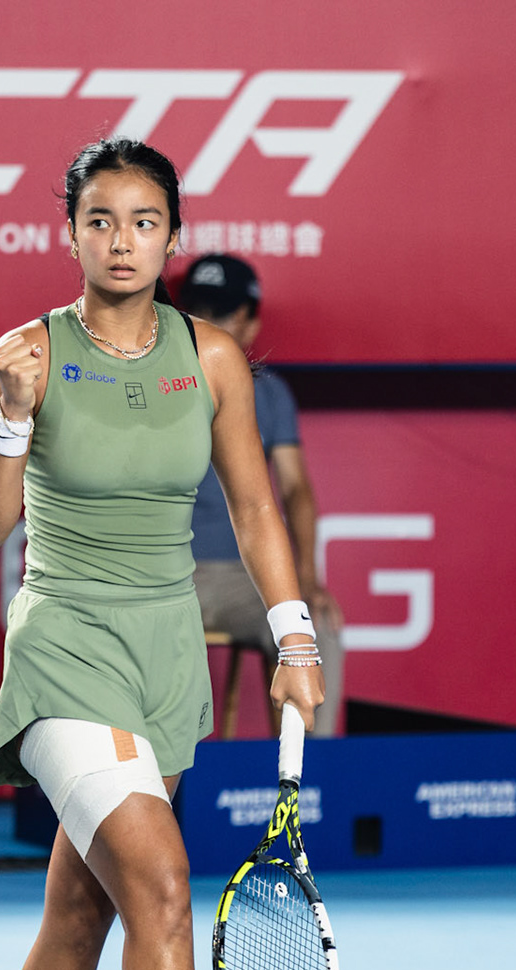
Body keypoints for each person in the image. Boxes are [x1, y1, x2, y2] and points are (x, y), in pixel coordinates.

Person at [0, 139, 328, 970]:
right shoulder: (24, 354)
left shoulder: (212, 360)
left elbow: (255, 508)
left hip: (165, 656)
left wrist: (293, 635)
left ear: (172, 237)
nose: (122, 241)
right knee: (159, 885)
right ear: (70, 233)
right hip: (65, 647)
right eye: (101, 220)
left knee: (79, 913)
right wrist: (11, 416)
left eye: (144, 221)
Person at [178, 254, 345, 736]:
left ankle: (309, 771)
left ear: (249, 323)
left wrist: (307, 578)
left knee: (315, 625)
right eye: (198, 312)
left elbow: (295, 488)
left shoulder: (269, 393)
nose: (209, 326)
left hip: (245, 579)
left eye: (222, 314)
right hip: (167, 574)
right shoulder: (151, 384)